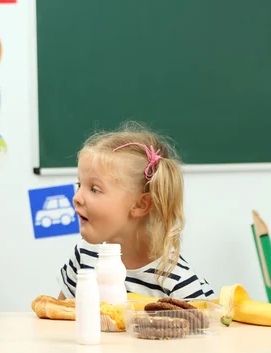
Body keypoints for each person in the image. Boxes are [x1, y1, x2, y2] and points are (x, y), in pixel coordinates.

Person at [58, 122, 213, 300]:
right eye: (79, 184)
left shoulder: (178, 282)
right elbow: (58, 319)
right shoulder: (84, 256)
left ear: (140, 205)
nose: (76, 197)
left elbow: (204, 327)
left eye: (94, 189)